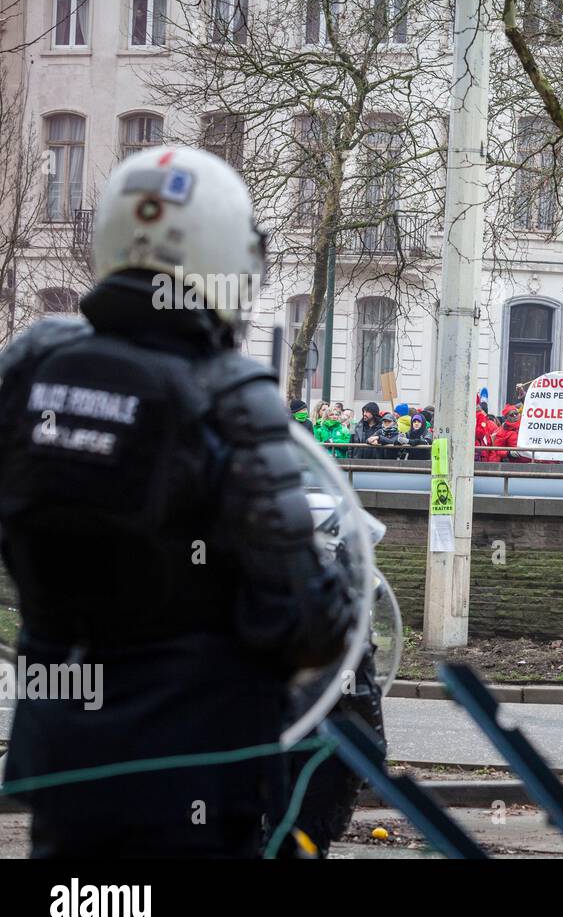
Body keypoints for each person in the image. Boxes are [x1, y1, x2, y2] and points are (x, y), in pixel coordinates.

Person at [0, 146, 353, 857]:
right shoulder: (229, 394)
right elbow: (305, 621)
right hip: (189, 776)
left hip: (65, 763)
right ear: (222, 255)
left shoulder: (31, 364)